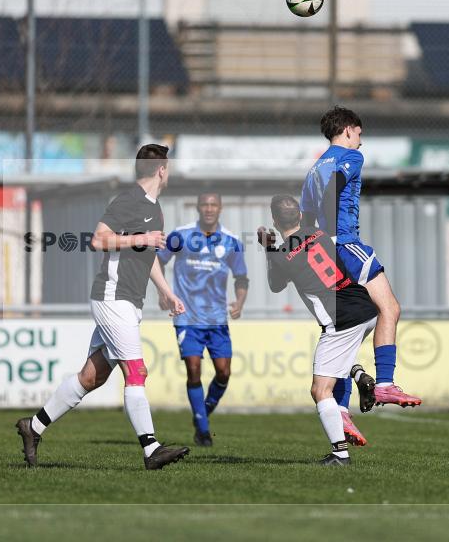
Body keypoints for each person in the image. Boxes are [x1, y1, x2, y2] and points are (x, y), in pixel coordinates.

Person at [16, 144, 191, 470]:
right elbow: (98, 239)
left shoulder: (155, 207)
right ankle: (151, 449)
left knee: (90, 377)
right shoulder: (128, 201)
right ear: (161, 170)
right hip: (113, 298)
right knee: (136, 372)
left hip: (127, 300)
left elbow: (147, 255)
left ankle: (33, 427)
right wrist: (141, 239)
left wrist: (165, 291)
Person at [301, 106, 422, 446]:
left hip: (322, 249)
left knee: (349, 326)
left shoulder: (314, 168)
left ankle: (339, 407)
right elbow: (335, 188)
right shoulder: (349, 157)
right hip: (346, 243)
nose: (361, 142)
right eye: (360, 134)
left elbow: (305, 217)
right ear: (350, 130)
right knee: (390, 309)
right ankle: (384, 383)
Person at [258, 195, 378, 466]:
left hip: (341, 321)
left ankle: (339, 454)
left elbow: (276, 286)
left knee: (320, 390)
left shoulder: (281, 256)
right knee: (337, 363)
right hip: (366, 308)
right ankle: (358, 374)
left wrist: (268, 248)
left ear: (275, 221)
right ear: (300, 216)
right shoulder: (319, 233)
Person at [157, 193, 248, 446]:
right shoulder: (181, 235)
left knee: (223, 373)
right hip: (187, 317)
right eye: (205, 204)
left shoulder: (232, 241)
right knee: (194, 369)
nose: (209, 209)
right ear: (197, 207)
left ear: (220, 208)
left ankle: (201, 415)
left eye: (213, 205)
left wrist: (239, 302)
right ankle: (204, 431)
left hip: (217, 318)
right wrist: (163, 292)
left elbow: (241, 278)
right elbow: (157, 260)